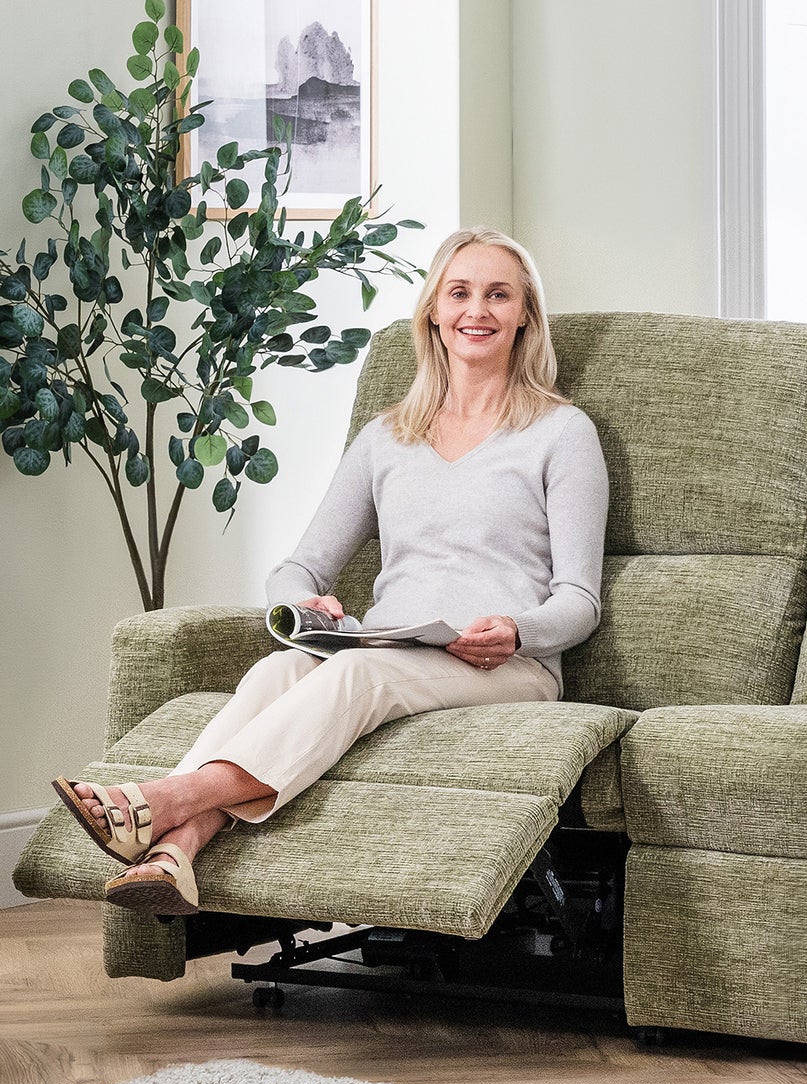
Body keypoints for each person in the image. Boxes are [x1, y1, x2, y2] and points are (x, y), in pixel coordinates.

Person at [51, 227, 609, 916]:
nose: (477, 310)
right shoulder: (388, 437)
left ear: (525, 314)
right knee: (276, 670)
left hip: (510, 667)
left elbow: (581, 600)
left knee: (355, 672)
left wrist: (518, 631)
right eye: (459, 292)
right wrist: (304, 604)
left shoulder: (561, 432)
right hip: (394, 646)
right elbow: (297, 565)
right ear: (433, 310)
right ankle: (178, 851)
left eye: (499, 295)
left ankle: (164, 799)